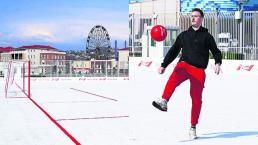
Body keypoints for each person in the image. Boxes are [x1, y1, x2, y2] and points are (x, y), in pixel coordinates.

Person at [152, 8, 222, 140]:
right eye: (192, 16)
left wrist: (218, 62)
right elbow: (173, 51)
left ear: (201, 18)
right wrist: (163, 65)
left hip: (198, 71)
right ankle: (164, 101)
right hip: (184, 65)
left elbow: (216, 51)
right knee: (176, 73)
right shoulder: (183, 35)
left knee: (196, 100)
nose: (193, 18)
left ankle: (193, 127)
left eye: (196, 16)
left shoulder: (207, 37)